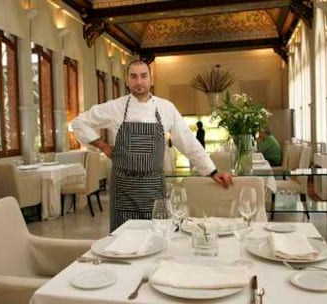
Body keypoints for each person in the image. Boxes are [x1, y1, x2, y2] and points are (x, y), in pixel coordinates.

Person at [71, 59, 233, 231]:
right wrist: (102, 145)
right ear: (127, 80)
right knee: (124, 241)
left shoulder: (166, 108)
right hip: (124, 191)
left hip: (154, 189)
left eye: (143, 76)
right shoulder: (115, 107)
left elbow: (187, 140)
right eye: (133, 77)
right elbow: (79, 122)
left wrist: (212, 171)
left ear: (151, 79)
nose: (139, 82)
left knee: (157, 237)